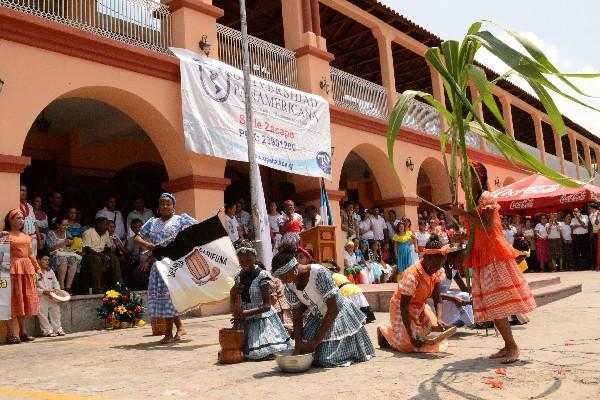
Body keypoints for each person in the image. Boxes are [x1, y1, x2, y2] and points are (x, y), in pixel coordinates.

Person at [447, 161, 536, 363]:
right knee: (492, 303)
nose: (462, 181)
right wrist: (462, 237)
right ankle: (507, 344)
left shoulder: (486, 197)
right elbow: (476, 231)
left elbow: (487, 226)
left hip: (493, 255)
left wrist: (461, 214)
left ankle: (512, 346)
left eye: (466, 177)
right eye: (461, 177)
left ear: (477, 179)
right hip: (482, 256)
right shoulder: (473, 201)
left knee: (497, 302)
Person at [272, 244, 375, 367]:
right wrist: (298, 345)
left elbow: (333, 308)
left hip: (337, 315)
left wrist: (316, 341)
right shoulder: (289, 285)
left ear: (294, 268)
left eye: (285, 276)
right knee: (308, 351)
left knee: (325, 359)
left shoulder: (318, 273)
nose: (283, 281)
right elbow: (297, 315)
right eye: (281, 278)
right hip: (318, 317)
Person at [134, 193, 197, 344]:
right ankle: (180, 327)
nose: (165, 206)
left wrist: (184, 239)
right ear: (158, 207)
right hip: (158, 264)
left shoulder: (180, 220)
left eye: (168, 203)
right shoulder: (152, 222)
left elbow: (196, 229)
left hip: (174, 264)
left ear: (173, 206)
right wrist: (148, 245)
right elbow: (137, 237)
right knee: (164, 298)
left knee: (170, 297)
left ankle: (169, 333)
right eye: (162, 203)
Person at [377, 235, 451, 353]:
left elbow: (437, 298)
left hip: (420, 306)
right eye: (435, 265)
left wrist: (439, 318)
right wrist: (410, 335)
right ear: (427, 258)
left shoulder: (437, 271)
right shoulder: (412, 275)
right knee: (409, 345)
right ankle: (384, 331)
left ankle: (404, 331)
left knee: (428, 333)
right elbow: (403, 306)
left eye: (440, 265)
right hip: (402, 308)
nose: (437, 268)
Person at [230, 244, 293, 360]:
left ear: (255, 257)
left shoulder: (262, 275)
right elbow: (235, 302)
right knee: (235, 350)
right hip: (245, 322)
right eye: (242, 260)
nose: (245, 263)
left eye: (249, 259)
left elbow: (267, 306)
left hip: (262, 320)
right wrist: (232, 293)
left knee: (261, 352)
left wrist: (244, 314)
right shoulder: (238, 275)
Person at [3, 209, 41, 344]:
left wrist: (37, 268)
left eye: (22, 218)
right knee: (8, 300)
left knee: (23, 300)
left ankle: (23, 332)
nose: (21, 221)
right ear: (10, 220)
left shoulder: (25, 236)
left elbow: (30, 254)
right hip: (10, 270)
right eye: (18, 218)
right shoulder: (5, 235)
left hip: (25, 269)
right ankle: (10, 333)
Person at [82, 217, 123, 294]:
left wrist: (107, 252)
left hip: (101, 253)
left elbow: (107, 246)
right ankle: (96, 287)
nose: (107, 227)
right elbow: (87, 248)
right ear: (98, 225)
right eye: (106, 225)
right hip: (90, 255)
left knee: (114, 258)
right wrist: (101, 255)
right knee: (97, 259)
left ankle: (119, 285)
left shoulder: (106, 233)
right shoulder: (87, 233)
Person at [46, 216, 81, 292]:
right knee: (63, 260)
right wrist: (63, 243)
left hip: (65, 253)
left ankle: (68, 287)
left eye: (67, 225)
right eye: (63, 225)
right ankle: (62, 287)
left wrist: (72, 243)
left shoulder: (67, 233)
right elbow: (50, 248)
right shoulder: (51, 233)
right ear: (58, 225)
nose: (66, 227)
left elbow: (70, 246)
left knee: (74, 259)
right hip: (53, 256)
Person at [35, 252, 65, 337]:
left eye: (48, 260)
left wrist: (56, 290)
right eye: (45, 260)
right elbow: (32, 288)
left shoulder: (50, 271)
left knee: (56, 312)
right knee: (42, 313)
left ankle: (58, 329)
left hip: (52, 296)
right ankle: (47, 331)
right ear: (38, 261)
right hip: (41, 297)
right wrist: (44, 292)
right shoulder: (34, 272)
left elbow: (56, 283)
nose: (47, 262)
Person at [124, 218, 151, 290]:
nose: (137, 229)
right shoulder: (131, 240)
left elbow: (156, 252)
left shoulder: (150, 237)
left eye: (139, 226)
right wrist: (120, 245)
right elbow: (128, 253)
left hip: (150, 262)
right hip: (137, 262)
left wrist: (147, 262)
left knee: (139, 273)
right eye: (134, 227)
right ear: (132, 229)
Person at [20, 185, 41, 256]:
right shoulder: (15, 205)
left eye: (25, 190)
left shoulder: (29, 206)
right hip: (22, 240)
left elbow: (35, 223)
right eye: (22, 190)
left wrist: (39, 239)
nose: (25, 192)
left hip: (33, 238)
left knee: (33, 263)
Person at [590, 203, 600, 271]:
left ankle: (598, 265)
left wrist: (597, 216)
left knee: (598, 249)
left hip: (599, 232)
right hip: (595, 233)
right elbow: (593, 225)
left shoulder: (598, 213)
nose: (589, 209)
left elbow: (597, 223)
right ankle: (597, 264)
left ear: (593, 208)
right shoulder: (590, 215)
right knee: (595, 249)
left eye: (590, 208)